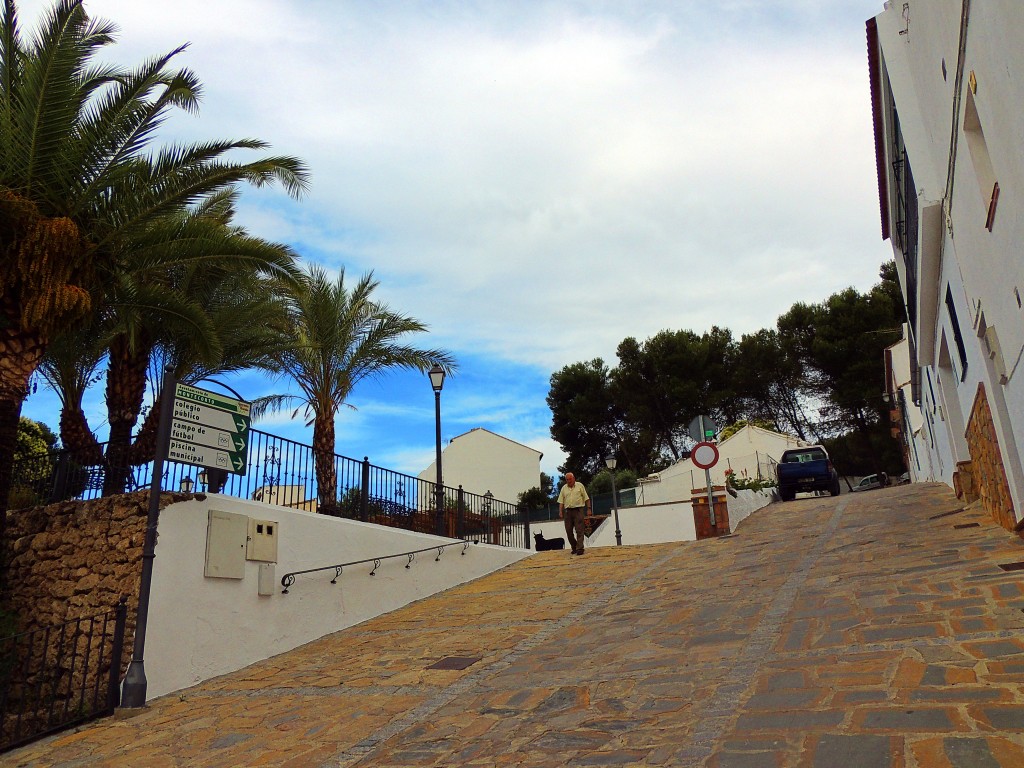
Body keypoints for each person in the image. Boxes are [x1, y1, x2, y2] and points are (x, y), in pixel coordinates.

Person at [557, 472, 591, 555]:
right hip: (567, 512)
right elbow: (561, 501)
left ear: (574, 478)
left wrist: (589, 509)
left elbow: (586, 498)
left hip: (578, 510)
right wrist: (560, 511)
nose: (569, 481)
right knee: (568, 531)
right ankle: (574, 546)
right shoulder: (564, 488)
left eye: (570, 479)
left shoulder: (580, 486)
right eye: (567, 480)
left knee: (579, 530)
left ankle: (580, 548)